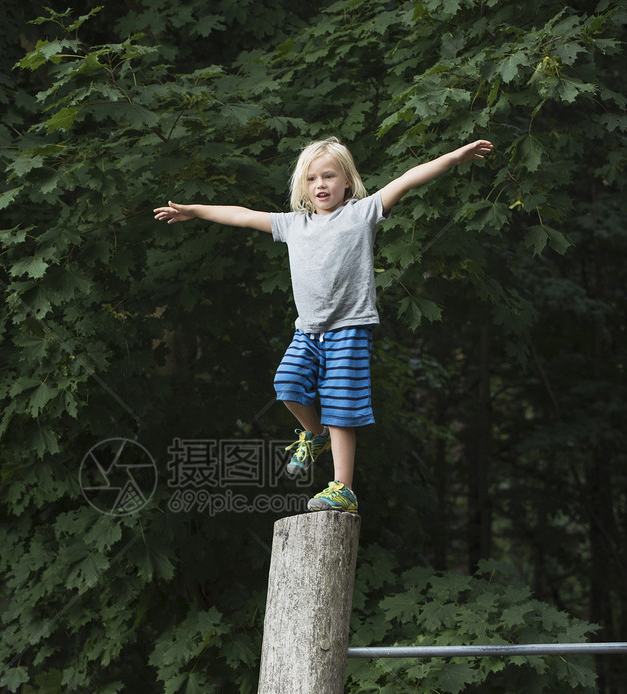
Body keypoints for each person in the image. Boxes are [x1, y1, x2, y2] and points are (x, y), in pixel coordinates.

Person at [154, 136, 493, 512]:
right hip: (308, 331)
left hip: (349, 328)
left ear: (347, 181)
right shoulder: (293, 225)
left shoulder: (362, 213)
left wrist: (454, 157)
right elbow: (243, 215)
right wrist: (196, 211)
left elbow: (409, 178)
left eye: (329, 176)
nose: (321, 185)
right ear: (303, 186)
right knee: (286, 385)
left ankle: (342, 489)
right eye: (312, 178)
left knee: (340, 407)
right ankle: (314, 435)